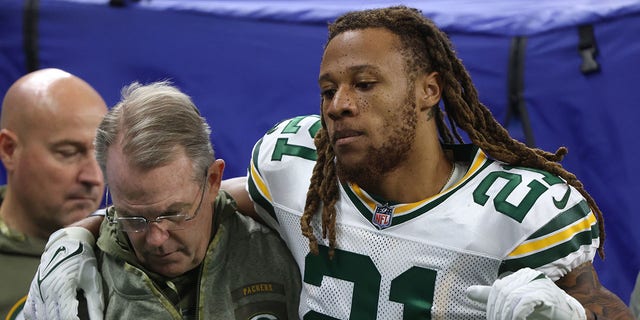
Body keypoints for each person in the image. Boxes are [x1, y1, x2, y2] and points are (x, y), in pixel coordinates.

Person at [25, 6, 634, 319]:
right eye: (327, 89)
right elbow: (192, 199)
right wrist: (75, 238)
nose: (339, 105)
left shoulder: (520, 209)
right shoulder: (295, 168)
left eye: (365, 84)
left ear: (429, 90)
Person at [26, 81, 301, 319]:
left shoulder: (282, 251)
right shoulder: (71, 285)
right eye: (134, 218)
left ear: (213, 180)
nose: (156, 239)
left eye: (174, 214)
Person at [0, 68, 107, 319]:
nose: (94, 177)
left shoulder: (132, 250)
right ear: (10, 150)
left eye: (102, 156)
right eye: (68, 152)